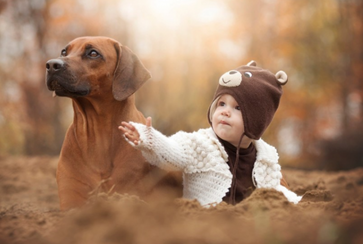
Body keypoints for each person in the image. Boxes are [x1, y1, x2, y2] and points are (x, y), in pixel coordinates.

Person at [118, 61, 302, 207]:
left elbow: (273, 188)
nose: (225, 112)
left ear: (256, 121)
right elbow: (172, 152)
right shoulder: (200, 143)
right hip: (207, 221)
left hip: (247, 225)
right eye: (221, 104)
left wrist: (295, 201)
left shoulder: (265, 156)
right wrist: (149, 138)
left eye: (237, 108)